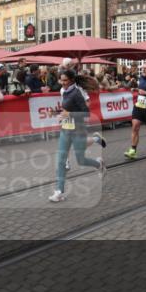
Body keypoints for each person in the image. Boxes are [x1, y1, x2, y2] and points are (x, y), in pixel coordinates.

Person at [49, 69, 105, 203]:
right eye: (61, 80)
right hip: (65, 130)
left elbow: (85, 113)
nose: (62, 83)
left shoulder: (76, 93)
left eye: (65, 80)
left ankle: (99, 164)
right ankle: (59, 192)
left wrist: (70, 115)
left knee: (81, 160)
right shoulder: (65, 92)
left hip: (78, 129)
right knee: (61, 161)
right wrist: (56, 112)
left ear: (72, 80)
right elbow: (67, 110)